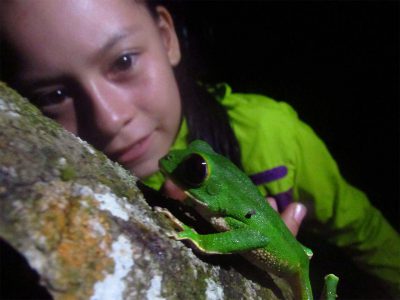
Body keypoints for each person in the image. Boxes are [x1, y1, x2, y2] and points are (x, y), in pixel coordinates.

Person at [0, 0, 399, 298]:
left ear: (167, 37)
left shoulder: (272, 134)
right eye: (53, 94)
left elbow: (365, 233)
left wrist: (203, 239)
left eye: (123, 60)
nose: (109, 118)